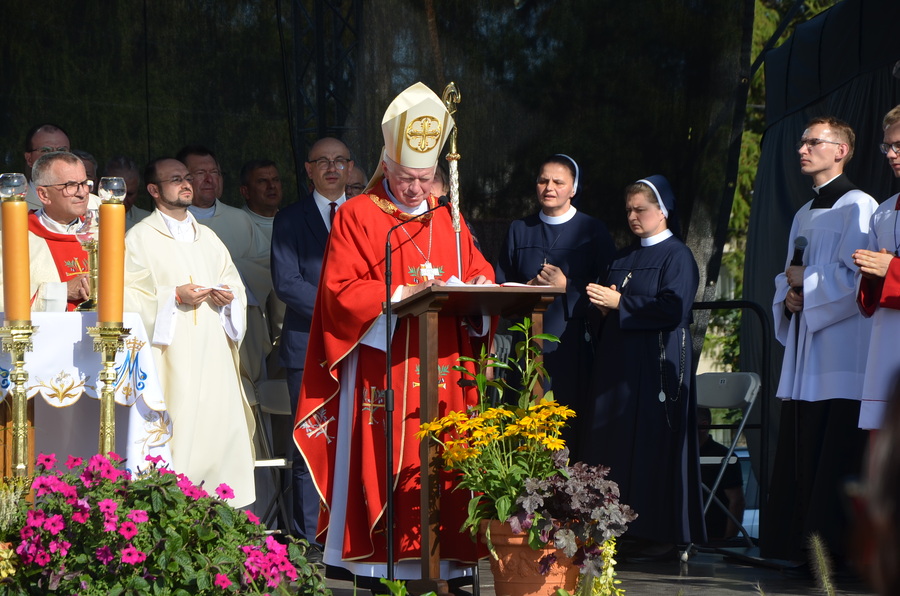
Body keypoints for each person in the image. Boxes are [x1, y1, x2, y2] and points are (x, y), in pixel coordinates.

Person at [293, 82, 494, 581]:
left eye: (425, 180)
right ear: (386, 165)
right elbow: (339, 292)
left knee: (449, 457)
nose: (415, 191)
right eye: (406, 178)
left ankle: (447, 568)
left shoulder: (448, 218)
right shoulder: (358, 214)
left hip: (445, 364)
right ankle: (385, 570)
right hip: (388, 364)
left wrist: (479, 296)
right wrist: (396, 295)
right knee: (389, 460)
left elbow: (480, 275)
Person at [760, 116, 876, 568]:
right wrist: (788, 296)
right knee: (803, 446)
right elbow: (790, 272)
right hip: (807, 351)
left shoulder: (859, 206)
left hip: (842, 352)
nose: (802, 149)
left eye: (813, 142)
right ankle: (795, 546)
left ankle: (832, 555)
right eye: (802, 141)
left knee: (832, 451)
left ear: (840, 150)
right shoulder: (803, 212)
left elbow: (860, 276)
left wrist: (807, 283)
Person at [123, 157, 255, 506]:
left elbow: (236, 287)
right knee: (180, 439)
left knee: (220, 434)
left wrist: (228, 300)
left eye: (187, 178)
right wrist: (172, 298)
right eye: (174, 180)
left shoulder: (209, 238)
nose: (186, 184)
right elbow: (128, 296)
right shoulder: (138, 239)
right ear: (153, 190)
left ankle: (227, 520)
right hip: (172, 359)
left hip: (214, 354)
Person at [585, 175, 704, 557]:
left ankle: (656, 533)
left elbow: (674, 308)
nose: (633, 217)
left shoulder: (677, 256)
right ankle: (612, 529)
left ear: (663, 211)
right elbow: (603, 311)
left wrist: (620, 305)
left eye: (641, 209)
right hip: (617, 368)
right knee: (613, 443)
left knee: (651, 445)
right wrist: (600, 309)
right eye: (629, 211)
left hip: (656, 365)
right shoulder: (621, 258)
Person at [496, 154, 614, 453]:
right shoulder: (519, 230)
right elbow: (501, 283)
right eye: (543, 180)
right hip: (526, 342)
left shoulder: (593, 231)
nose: (549, 187)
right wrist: (527, 290)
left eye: (558, 182)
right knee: (523, 425)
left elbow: (607, 292)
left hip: (571, 344)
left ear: (573, 189)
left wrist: (566, 288)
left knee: (569, 426)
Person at [271, 137, 354, 544]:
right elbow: (287, 283)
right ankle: (310, 540)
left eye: (340, 160)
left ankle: (352, 535)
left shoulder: (364, 215)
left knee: (358, 442)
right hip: (308, 346)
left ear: (352, 168)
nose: (332, 167)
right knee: (311, 440)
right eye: (323, 161)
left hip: (359, 346)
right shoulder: (289, 219)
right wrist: (343, 308)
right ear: (308, 169)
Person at [177, 145, 271, 398]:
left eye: (214, 172)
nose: (209, 179)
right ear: (182, 179)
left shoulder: (241, 219)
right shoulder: (173, 224)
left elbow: (266, 266)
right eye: (200, 173)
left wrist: (232, 274)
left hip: (236, 323)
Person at [853, 105, 900, 431]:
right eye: (887, 146)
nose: (891, 153)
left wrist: (892, 269)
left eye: (899, 145)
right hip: (887, 342)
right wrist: (870, 276)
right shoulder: (883, 212)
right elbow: (869, 294)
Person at [0, 151, 91, 311]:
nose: (82, 192)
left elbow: (138, 289)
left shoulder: (103, 236)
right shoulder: (14, 240)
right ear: (43, 194)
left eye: (84, 183)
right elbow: (4, 297)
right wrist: (60, 292)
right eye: (70, 185)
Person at [696, 407, 745, 542]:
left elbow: (736, 501)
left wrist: (727, 541)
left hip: (713, 539)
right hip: (682, 540)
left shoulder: (724, 457)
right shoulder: (679, 455)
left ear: (703, 426)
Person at [23, 124, 71, 211]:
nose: (55, 157)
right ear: (29, 159)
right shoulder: (8, 204)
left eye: (62, 150)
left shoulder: (91, 203)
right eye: (45, 150)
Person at [104, 155, 151, 230]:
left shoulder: (149, 223)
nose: (123, 199)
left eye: (129, 194)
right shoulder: (87, 219)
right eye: (118, 192)